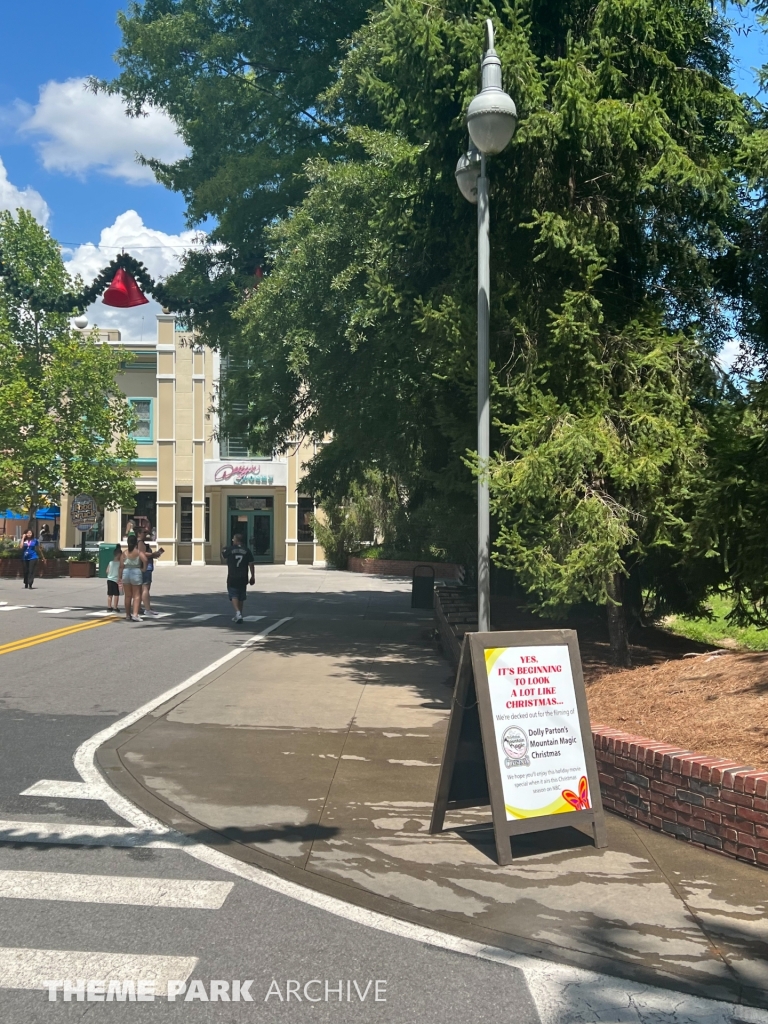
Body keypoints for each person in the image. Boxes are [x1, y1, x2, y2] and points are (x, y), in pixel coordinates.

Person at [221, 532, 255, 623]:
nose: (232, 540)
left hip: (233, 575)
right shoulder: (246, 550)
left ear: (236, 540)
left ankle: (237, 612)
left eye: (233, 539)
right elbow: (251, 564)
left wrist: (223, 550)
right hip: (243, 576)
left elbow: (224, 556)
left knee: (233, 595)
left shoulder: (230, 549)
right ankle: (239, 615)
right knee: (241, 596)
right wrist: (252, 576)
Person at [136, 527, 165, 618]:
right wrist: (153, 554)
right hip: (146, 567)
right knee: (145, 588)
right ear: (139, 533)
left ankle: (139, 607)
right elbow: (142, 553)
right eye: (144, 532)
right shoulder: (140, 543)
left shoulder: (140, 542)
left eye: (146, 532)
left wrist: (153, 555)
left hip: (144, 567)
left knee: (141, 589)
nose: (145, 534)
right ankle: (147, 609)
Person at [118, 534, 147, 622]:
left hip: (126, 572)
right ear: (136, 543)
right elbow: (145, 560)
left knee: (128, 596)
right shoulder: (138, 552)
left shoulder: (124, 553)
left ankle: (127, 614)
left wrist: (120, 577)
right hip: (136, 571)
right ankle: (135, 614)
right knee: (137, 595)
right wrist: (144, 568)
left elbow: (121, 566)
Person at [106, 544, 122, 613]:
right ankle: (115, 607)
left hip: (109, 579)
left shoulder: (110, 562)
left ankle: (109, 607)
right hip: (116, 580)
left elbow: (107, 571)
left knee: (110, 594)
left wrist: (110, 574)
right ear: (119, 555)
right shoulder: (119, 564)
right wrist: (120, 578)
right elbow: (120, 571)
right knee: (116, 594)